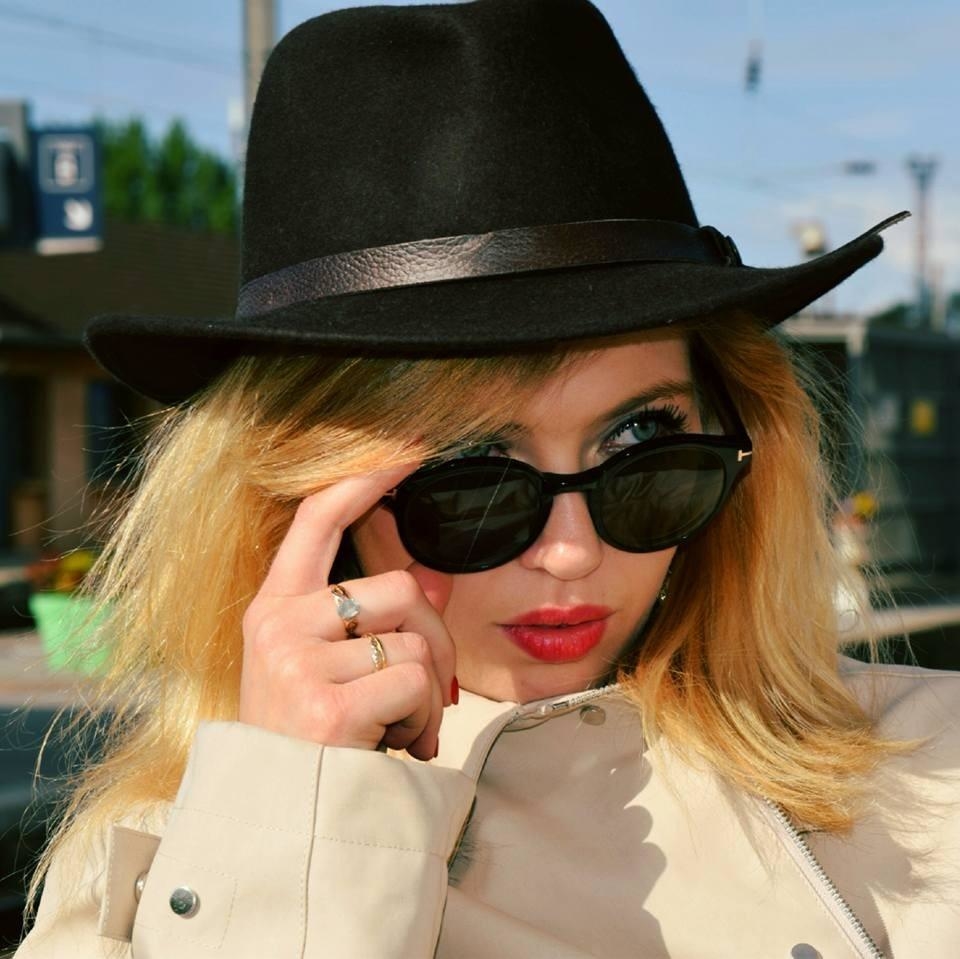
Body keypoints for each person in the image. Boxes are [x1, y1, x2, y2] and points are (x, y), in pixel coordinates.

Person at [16, 1, 960, 956]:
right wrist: (290, 828)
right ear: (305, 501)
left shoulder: (929, 766)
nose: (571, 552)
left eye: (643, 442)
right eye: (471, 478)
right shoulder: (151, 882)